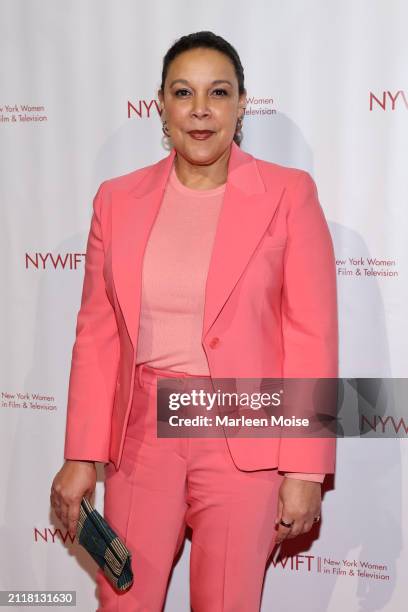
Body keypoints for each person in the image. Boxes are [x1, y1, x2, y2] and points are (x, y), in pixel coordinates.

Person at [50, 31, 338, 612]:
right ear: (161, 104)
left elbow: (312, 335)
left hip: (243, 430)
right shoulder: (116, 200)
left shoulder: (288, 194)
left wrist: (306, 467)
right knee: (122, 599)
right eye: (184, 92)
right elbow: (98, 335)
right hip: (141, 440)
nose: (201, 109)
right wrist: (81, 455)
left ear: (240, 104)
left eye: (218, 92)